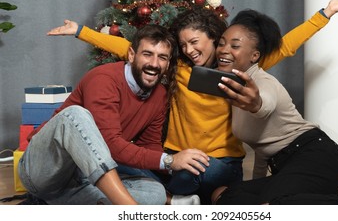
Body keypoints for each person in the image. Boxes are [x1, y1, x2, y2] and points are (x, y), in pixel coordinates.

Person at [47, 0, 338, 204]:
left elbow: (284, 46)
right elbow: (130, 50)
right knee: (125, 160)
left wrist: (324, 14)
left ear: (215, 39)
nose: (188, 50)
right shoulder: (177, 69)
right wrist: (80, 31)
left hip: (219, 162)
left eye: (195, 42)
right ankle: (178, 195)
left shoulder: (240, 70)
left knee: (194, 174)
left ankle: (178, 196)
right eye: (183, 45)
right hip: (174, 156)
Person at [211, 8, 338, 205]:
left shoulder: (263, 82)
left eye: (234, 46)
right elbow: (262, 145)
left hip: (318, 158)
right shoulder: (234, 86)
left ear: (254, 55)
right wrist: (258, 187)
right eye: (221, 43)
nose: (224, 50)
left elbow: (265, 103)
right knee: (224, 195)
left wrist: (256, 104)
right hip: (286, 167)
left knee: (277, 204)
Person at [18, 24, 209, 205]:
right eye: (147, 54)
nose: (154, 63)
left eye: (162, 57)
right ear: (132, 55)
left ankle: (53, 205)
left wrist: (178, 165)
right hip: (44, 169)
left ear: (168, 64)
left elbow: (149, 146)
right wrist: (170, 161)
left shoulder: (159, 95)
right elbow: (111, 143)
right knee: (75, 115)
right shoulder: (103, 79)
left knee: (155, 193)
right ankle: (129, 211)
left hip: (82, 179)